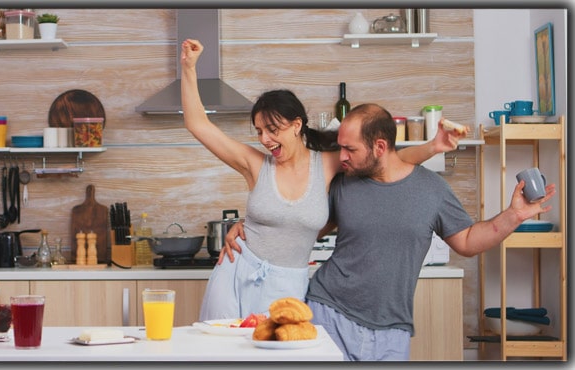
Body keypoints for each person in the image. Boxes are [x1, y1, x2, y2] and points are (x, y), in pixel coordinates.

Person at [226, 103, 556, 361]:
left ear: (380, 147)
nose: (341, 157)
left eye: (350, 149)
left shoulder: (431, 190)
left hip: (392, 330)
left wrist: (514, 215)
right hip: (328, 313)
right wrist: (250, 228)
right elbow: (300, 224)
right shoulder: (345, 182)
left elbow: (468, 241)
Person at [180, 38, 465, 321]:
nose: (265, 139)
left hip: (289, 284)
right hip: (236, 271)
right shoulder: (255, 165)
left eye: (272, 129)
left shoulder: (327, 164)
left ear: (296, 125)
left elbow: (387, 160)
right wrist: (189, 68)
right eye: (258, 131)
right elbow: (198, 124)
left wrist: (433, 146)